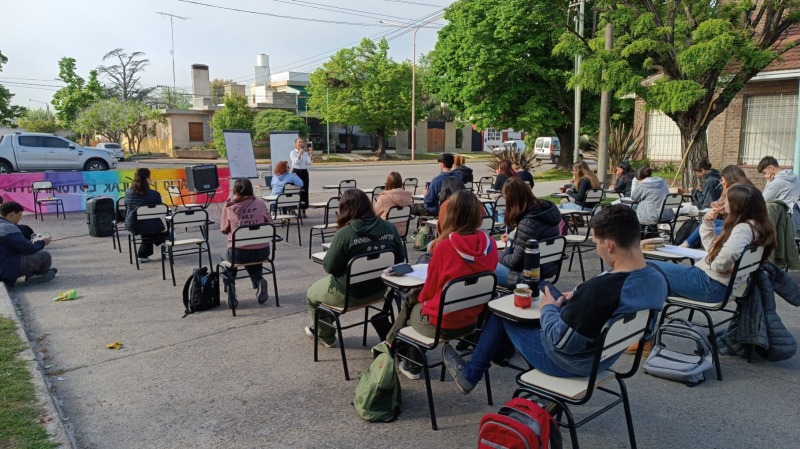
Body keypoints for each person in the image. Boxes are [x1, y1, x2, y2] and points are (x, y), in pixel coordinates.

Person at [443, 205, 668, 393]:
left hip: (566, 362)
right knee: (540, 285)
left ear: (609, 245)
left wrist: (548, 309)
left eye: (596, 243)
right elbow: (643, 328)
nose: (597, 248)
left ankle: (470, 375)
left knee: (501, 311)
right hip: (603, 356)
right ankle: (499, 352)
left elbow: (560, 342)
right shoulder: (657, 279)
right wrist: (577, 295)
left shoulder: (601, 291)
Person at [386, 190, 499, 379]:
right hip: (472, 319)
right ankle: (392, 344)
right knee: (415, 299)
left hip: (441, 323)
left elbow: (428, 292)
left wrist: (421, 298)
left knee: (411, 301)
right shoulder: (491, 244)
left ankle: (406, 358)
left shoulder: (445, 247)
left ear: (451, 214)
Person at [305, 189, 405, 348]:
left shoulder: (344, 234)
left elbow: (329, 267)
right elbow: (400, 260)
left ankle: (326, 336)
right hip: (380, 289)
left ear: (345, 209)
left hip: (349, 294)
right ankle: (320, 325)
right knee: (324, 295)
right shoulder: (389, 228)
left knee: (312, 294)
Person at [649, 184, 776, 303]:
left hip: (709, 285)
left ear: (736, 205)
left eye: (726, 199)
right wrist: (707, 223)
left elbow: (728, 255)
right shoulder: (757, 226)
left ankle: (644, 322)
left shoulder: (743, 229)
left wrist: (717, 266)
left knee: (647, 266)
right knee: (654, 285)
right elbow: (712, 249)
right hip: (716, 284)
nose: (724, 202)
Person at [495, 177, 561, 288]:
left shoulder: (528, 222)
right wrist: (516, 238)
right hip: (547, 266)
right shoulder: (543, 212)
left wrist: (495, 253)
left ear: (511, 201)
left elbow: (514, 262)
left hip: (527, 275)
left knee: (483, 265)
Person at [220, 178, 273, 307]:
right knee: (252, 251)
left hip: (238, 253)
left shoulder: (229, 206)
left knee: (226, 257)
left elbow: (223, 229)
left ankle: (230, 286)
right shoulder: (260, 203)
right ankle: (258, 281)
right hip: (262, 252)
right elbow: (270, 224)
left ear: (235, 190)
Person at [681, 165, 753, 248]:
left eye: (722, 180)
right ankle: (686, 244)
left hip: (738, 226)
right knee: (706, 223)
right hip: (743, 224)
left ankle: (686, 245)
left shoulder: (735, 190)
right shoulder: (747, 187)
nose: (721, 182)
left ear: (729, 178)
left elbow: (728, 210)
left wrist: (720, 205)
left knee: (707, 230)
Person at [0, 201, 56, 287]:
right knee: (45, 256)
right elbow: (28, 249)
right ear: (11, 215)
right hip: (5, 271)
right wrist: (43, 242)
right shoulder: (7, 227)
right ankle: (35, 276)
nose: (19, 219)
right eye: (19, 216)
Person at [125, 168, 166, 263]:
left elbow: (127, 208)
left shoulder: (128, 193)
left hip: (134, 225)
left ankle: (143, 253)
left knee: (146, 223)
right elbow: (159, 211)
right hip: (153, 226)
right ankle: (165, 238)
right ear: (147, 179)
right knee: (151, 223)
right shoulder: (155, 194)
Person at [289, 137, 313, 217]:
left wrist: (310, 154)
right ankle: (293, 209)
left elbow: (309, 163)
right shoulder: (292, 152)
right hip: (296, 172)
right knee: (296, 191)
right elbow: (296, 162)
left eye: (301, 142)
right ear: (295, 144)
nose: (300, 144)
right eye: (299, 142)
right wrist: (299, 153)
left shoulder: (305, 153)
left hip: (304, 172)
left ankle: (303, 209)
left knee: (304, 191)